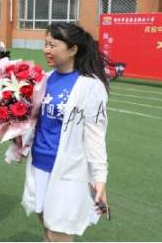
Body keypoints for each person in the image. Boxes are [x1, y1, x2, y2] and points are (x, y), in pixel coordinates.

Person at [21, 22, 110, 241]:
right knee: (44, 221)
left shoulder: (91, 86)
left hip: (68, 170)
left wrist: (100, 177)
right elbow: (35, 122)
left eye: (53, 45)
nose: (46, 50)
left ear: (73, 49)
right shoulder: (44, 79)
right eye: (45, 44)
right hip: (39, 165)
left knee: (58, 230)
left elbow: (96, 135)